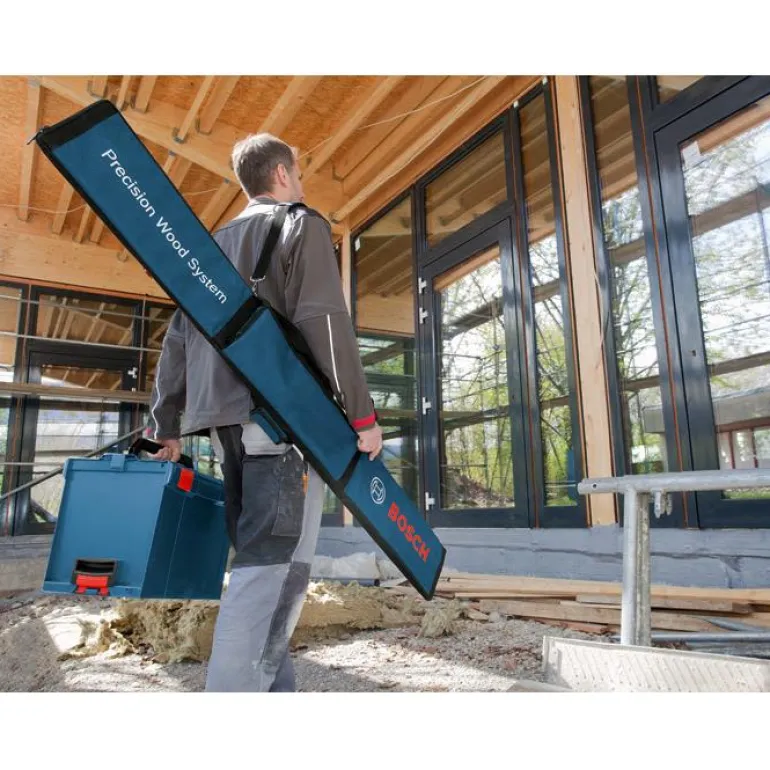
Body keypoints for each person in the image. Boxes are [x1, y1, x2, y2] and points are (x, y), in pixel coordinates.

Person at [147, 133, 383, 692]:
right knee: (273, 568)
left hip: (224, 427)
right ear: (281, 174)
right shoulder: (300, 224)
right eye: (297, 170)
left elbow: (176, 343)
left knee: (262, 563)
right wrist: (362, 416)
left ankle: (276, 692)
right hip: (280, 423)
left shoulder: (207, 247)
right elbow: (325, 322)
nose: (300, 180)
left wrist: (165, 426)